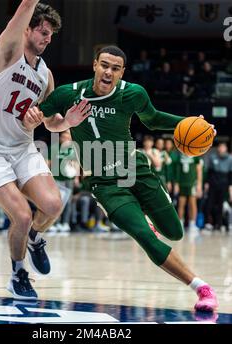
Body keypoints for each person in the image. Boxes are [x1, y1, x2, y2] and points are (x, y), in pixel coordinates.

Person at [32, 45, 218, 312]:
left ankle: (151, 220)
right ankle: (201, 288)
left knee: (174, 232)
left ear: (122, 72)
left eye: (115, 68)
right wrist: (66, 124)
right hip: (105, 184)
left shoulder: (132, 93)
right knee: (145, 236)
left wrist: (192, 122)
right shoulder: (68, 94)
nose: (108, 72)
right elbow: (46, 121)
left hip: (135, 169)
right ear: (95, 65)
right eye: (104, 65)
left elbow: (152, 120)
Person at [0, 0, 62, 300]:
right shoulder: (7, 51)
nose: (47, 38)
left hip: (21, 147)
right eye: (43, 31)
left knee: (54, 206)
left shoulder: (45, 75)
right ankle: (18, 274)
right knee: (20, 215)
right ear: (27, 30)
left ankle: (35, 237)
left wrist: (65, 122)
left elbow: (51, 121)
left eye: (50, 34)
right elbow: (26, 6)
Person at [173, 152, 203, 234]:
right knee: (181, 204)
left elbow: (199, 170)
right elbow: (177, 170)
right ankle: (180, 224)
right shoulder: (179, 156)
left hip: (192, 183)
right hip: (182, 183)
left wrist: (199, 184)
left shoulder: (195, 156)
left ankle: (192, 224)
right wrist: (176, 183)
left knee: (192, 204)